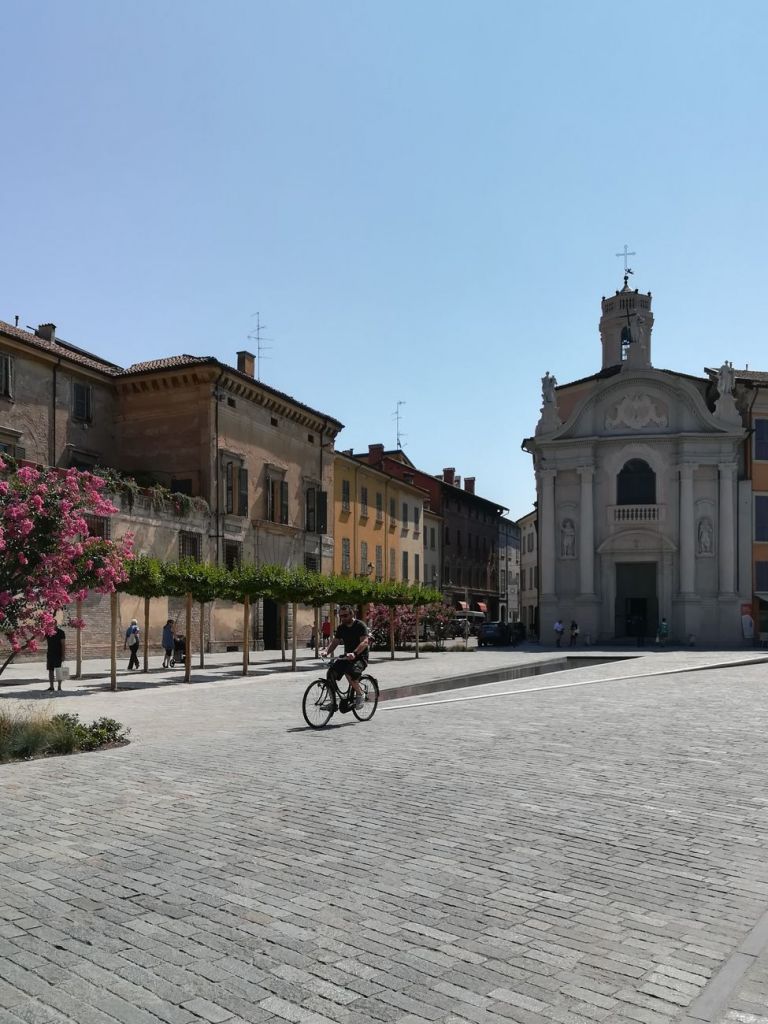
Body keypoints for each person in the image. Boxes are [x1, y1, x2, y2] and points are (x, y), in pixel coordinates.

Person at [322, 605, 370, 709]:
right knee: (330, 673)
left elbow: (365, 642)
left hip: (360, 657)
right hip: (346, 657)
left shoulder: (360, 625)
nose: (343, 618)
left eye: (345, 615)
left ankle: (360, 694)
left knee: (349, 673)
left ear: (352, 614)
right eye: (341, 616)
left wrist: (355, 653)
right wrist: (326, 651)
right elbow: (335, 642)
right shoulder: (341, 627)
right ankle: (333, 703)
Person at [46, 623, 66, 692]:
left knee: (59, 671)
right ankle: (51, 687)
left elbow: (63, 644)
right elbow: (41, 639)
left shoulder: (61, 632)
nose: (51, 625)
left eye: (53, 624)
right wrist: (42, 631)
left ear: (56, 624)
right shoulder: (48, 632)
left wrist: (63, 655)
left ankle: (59, 687)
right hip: (50, 654)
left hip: (58, 655)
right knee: (50, 671)